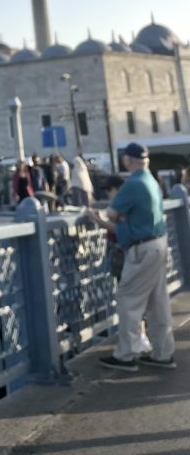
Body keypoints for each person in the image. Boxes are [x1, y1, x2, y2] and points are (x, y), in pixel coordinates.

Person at [87, 142, 175, 372]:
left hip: (141, 250)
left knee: (128, 299)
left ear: (129, 160)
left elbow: (114, 215)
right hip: (159, 244)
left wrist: (96, 219)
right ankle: (163, 354)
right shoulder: (152, 182)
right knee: (158, 303)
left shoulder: (133, 183)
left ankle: (127, 355)